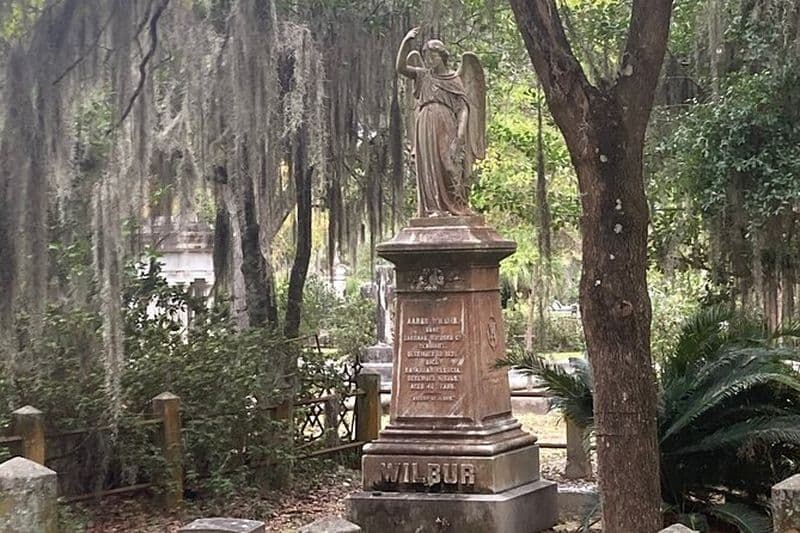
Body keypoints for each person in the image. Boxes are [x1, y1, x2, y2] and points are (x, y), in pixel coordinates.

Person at [396, 27, 485, 217]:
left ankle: (457, 204)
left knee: (449, 164)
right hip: (425, 123)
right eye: (427, 56)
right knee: (428, 166)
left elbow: (463, 108)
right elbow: (401, 68)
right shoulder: (423, 75)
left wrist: (460, 134)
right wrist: (406, 41)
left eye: (433, 56)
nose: (429, 60)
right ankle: (433, 208)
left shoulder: (454, 79)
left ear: (442, 56)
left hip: (446, 124)